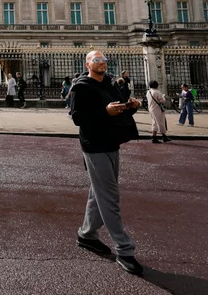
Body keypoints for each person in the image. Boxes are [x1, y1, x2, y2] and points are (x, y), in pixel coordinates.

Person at [69, 50, 144, 276]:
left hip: (112, 141)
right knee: (109, 196)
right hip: (94, 146)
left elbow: (117, 106)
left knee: (98, 193)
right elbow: (78, 118)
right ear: (88, 64)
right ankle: (124, 249)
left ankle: (87, 235)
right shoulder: (80, 87)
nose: (101, 63)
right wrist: (105, 112)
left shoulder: (110, 83)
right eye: (96, 60)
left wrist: (130, 105)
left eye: (103, 60)